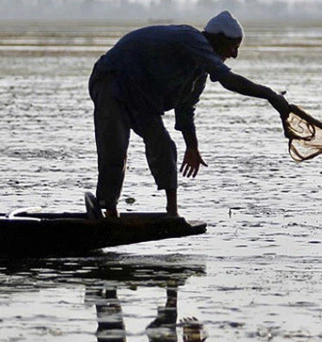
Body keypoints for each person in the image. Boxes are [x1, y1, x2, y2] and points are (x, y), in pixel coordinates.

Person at [88, 10, 289, 218]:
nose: (234, 55)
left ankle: (172, 212)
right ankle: (108, 209)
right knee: (114, 148)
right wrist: (269, 95)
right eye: (233, 47)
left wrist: (192, 146)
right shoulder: (190, 38)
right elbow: (227, 79)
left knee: (164, 146)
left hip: (143, 99)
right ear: (216, 40)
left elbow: (185, 110)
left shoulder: (199, 73)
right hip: (111, 81)